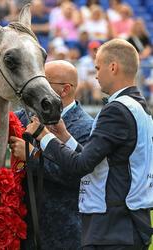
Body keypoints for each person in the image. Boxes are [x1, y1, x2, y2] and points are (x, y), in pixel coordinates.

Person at [26, 39, 153, 249]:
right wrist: (65, 136)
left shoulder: (116, 110)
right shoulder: (138, 107)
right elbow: (97, 161)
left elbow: (81, 165)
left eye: (98, 67)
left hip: (112, 225)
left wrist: (43, 135)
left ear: (113, 67)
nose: (95, 75)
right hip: (127, 221)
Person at [10, 60, 94, 249]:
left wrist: (32, 157)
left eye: (45, 81)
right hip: (23, 230)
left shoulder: (86, 127)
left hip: (62, 233)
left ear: (64, 90)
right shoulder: (24, 117)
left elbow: (76, 176)